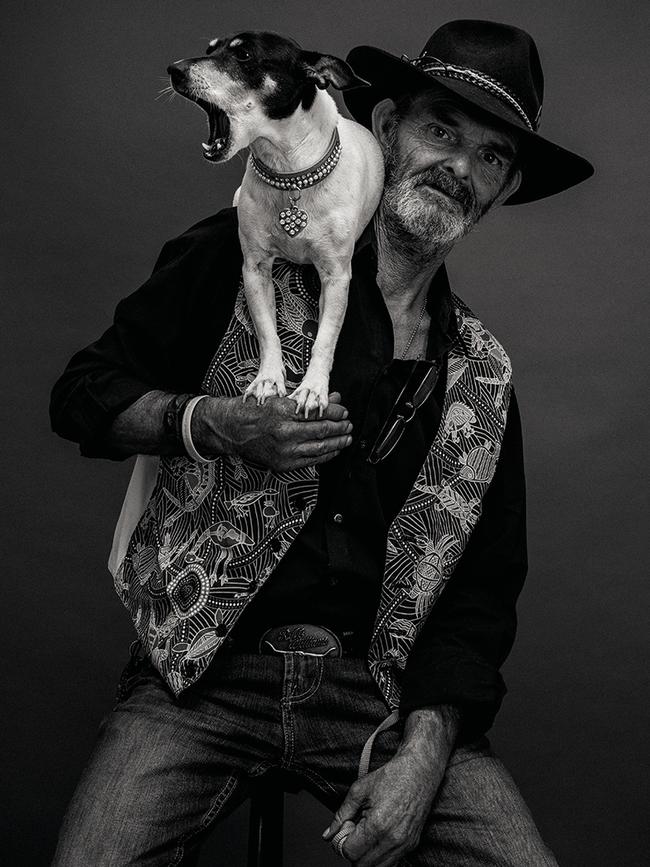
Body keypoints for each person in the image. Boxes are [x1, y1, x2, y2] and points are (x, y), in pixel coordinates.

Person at [49, 19, 593, 867]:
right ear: (383, 129)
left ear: (504, 188)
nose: (458, 167)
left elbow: (480, 601)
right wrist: (211, 424)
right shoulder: (241, 251)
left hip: (377, 697)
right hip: (205, 672)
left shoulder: (484, 377)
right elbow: (84, 397)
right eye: (441, 130)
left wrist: (426, 747)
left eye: (489, 157)